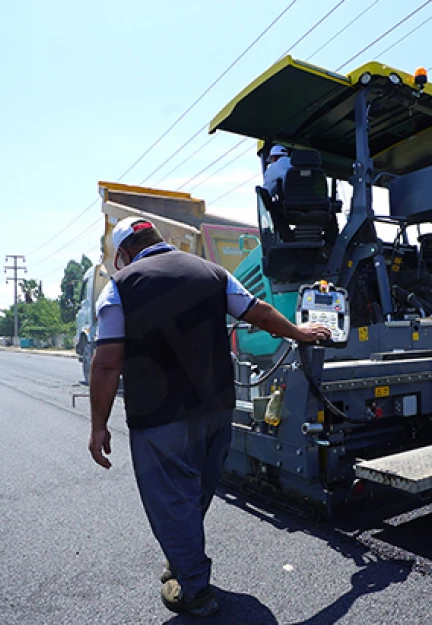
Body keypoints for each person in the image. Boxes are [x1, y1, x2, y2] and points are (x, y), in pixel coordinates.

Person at [87, 217, 330, 618]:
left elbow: (107, 363)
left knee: (171, 498)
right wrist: (299, 333)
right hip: (217, 409)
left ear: (125, 254)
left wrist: (98, 425)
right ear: (158, 240)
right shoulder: (213, 272)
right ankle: (182, 557)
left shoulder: (120, 287)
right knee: (194, 491)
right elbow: (260, 312)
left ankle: (195, 591)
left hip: (161, 417)